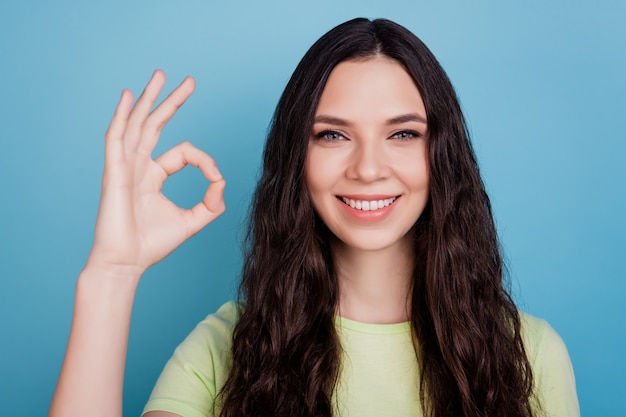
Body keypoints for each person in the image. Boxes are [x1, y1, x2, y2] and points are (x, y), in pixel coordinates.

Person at [49, 18, 579, 417]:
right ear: (295, 158)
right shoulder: (225, 345)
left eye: (403, 133)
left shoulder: (528, 352)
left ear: (443, 153)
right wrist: (112, 274)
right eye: (332, 134)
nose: (368, 168)